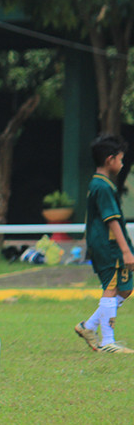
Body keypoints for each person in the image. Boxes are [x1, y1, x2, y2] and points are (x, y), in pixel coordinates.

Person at [74, 134, 134, 353]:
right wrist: (126, 251)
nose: (122, 162)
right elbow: (111, 220)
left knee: (125, 289)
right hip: (108, 247)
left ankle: (88, 326)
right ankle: (108, 341)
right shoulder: (102, 187)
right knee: (111, 288)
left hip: (109, 246)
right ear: (110, 160)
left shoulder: (101, 184)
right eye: (120, 158)